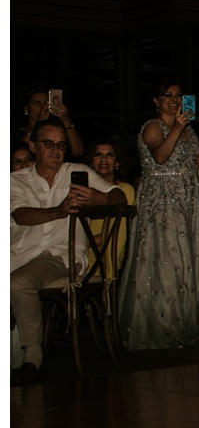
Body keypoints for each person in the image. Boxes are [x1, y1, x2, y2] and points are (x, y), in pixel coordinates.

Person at [118, 80, 199, 351]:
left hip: (191, 201)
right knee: (169, 259)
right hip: (164, 203)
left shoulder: (189, 132)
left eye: (179, 95)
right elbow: (159, 156)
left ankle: (195, 323)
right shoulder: (153, 127)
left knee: (193, 258)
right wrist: (178, 127)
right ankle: (166, 327)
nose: (174, 99)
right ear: (155, 101)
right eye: (167, 95)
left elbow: (190, 160)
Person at [10, 118, 127, 382]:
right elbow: (21, 216)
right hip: (19, 254)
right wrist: (58, 211)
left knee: (19, 282)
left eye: (61, 145)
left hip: (61, 255)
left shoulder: (78, 171)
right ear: (32, 146)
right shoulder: (14, 181)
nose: (55, 150)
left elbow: (119, 196)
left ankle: (32, 356)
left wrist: (102, 198)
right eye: (48, 144)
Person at [86, 137, 135, 280]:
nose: (103, 160)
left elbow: (116, 234)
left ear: (117, 162)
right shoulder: (83, 191)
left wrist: (80, 243)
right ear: (91, 161)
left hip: (105, 257)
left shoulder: (125, 191)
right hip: (78, 256)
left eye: (109, 155)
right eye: (98, 154)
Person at [19, 88, 84, 157]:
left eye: (47, 102)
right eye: (37, 103)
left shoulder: (59, 131)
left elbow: (78, 152)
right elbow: (19, 152)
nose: (43, 106)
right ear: (26, 108)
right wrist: (37, 125)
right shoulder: (14, 131)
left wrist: (66, 120)